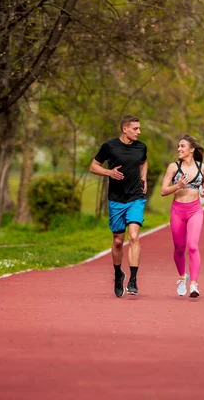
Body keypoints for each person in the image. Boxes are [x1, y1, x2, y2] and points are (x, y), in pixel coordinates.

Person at [90, 115, 148, 297]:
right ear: (125, 129)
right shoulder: (109, 146)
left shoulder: (141, 147)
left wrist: (143, 176)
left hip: (136, 198)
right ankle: (118, 274)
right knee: (117, 240)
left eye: (139, 128)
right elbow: (93, 166)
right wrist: (109, 172)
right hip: (116, 199)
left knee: (134, 236)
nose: (139, 131)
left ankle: (133, 279)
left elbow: (144, 161)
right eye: (135, 129)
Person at [160, 135, 204, 298]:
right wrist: (178, 185)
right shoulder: (173, 168)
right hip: (178, 211)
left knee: (193, 246)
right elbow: (163, 191)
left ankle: (194, 284)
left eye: (182, 146)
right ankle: (182, 277)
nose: (179, 149)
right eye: (178, 146)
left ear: (192, 149)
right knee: (179, 248)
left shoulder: (202, 167)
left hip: (195, 209)